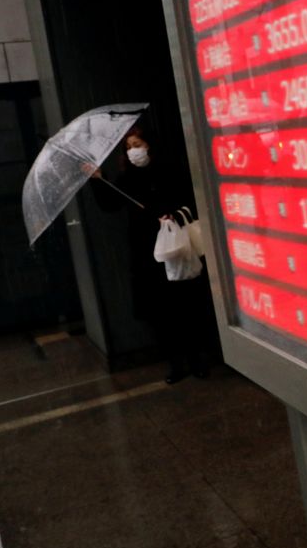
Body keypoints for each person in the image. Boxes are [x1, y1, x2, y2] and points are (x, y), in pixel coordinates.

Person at [89, 124, 219, 384]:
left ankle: (197, 360)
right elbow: (110, 204)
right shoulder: (126, 179)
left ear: (149, 145)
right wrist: (97, 180)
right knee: (162, 312)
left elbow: (192, 197)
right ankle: (175, 364)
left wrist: (173, 215)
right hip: (147, 253)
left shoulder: (170, 170)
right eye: (128, 148)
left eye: (136, 145)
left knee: (186, 305)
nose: (133, 151)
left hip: (178, 246)